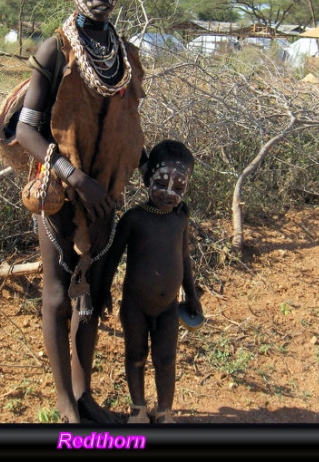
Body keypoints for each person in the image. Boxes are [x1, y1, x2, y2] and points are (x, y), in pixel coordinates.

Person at [14, 0, 147, 423]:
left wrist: (146, 164)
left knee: (90, 296)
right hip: (62, 195)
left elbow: (127, 123)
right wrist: (75, 177)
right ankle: (65, 404)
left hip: (106, 197)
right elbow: (24, 129)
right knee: (56, 294)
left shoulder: (126, 55)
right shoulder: (56, 50)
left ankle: (84, 393)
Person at [98, 139, 202, 424]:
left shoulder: (180, 219)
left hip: (169, 306)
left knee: (166, 360)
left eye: (179, 188)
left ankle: (165, 412)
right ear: (147, 180)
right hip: (135, 306)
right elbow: (113, 257)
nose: (169, 194)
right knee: (136, 356)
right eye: (161, 184)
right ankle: (138, 410)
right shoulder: (134, 219)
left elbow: (185, 260)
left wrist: (191, 295)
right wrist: (104, 291)